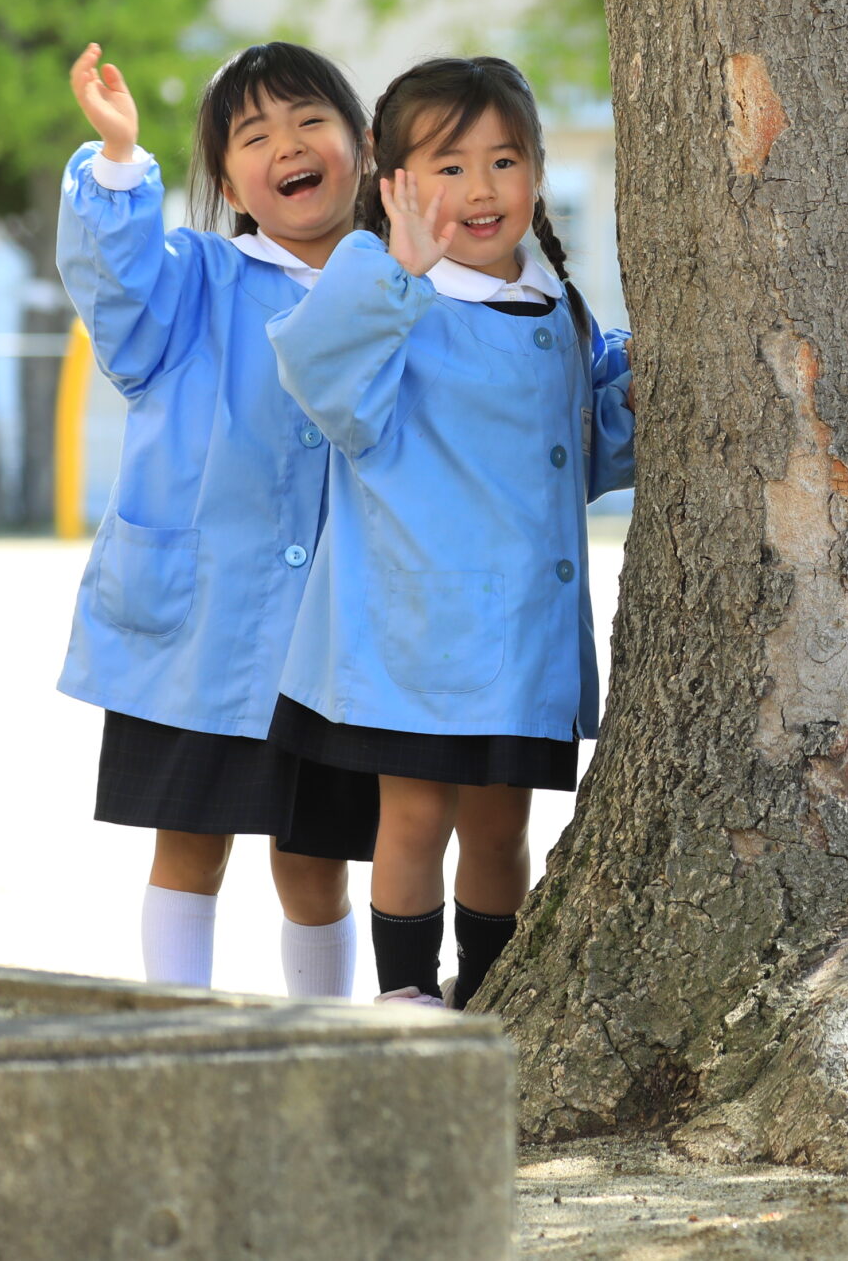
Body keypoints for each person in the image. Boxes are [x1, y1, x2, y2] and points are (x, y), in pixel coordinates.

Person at [267, 57, 634, 1008]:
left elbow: (576, 454)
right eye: (450, 166)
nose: (480, 190)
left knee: (502, 823)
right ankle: (402, 994)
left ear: (539, 174)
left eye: (504, 161)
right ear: (394, 182)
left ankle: (484, 988)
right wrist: (398, 272)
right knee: (415, 813)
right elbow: (324, 382)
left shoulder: (552, 305)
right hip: (413, 631)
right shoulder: (384, 286)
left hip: (519, 634)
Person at [57, 40, 380, 1000]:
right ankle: (181, 1030)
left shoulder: (398, 289)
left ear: (362, 147)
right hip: (197, 631)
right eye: (254, 134)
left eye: (309, 120)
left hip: (333, 638)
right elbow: (112, 280)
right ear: (231, 179)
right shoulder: (193, 280)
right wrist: (118, 160)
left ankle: (319, 1046)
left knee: (315, 859)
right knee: (187, 842)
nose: (286, 143)